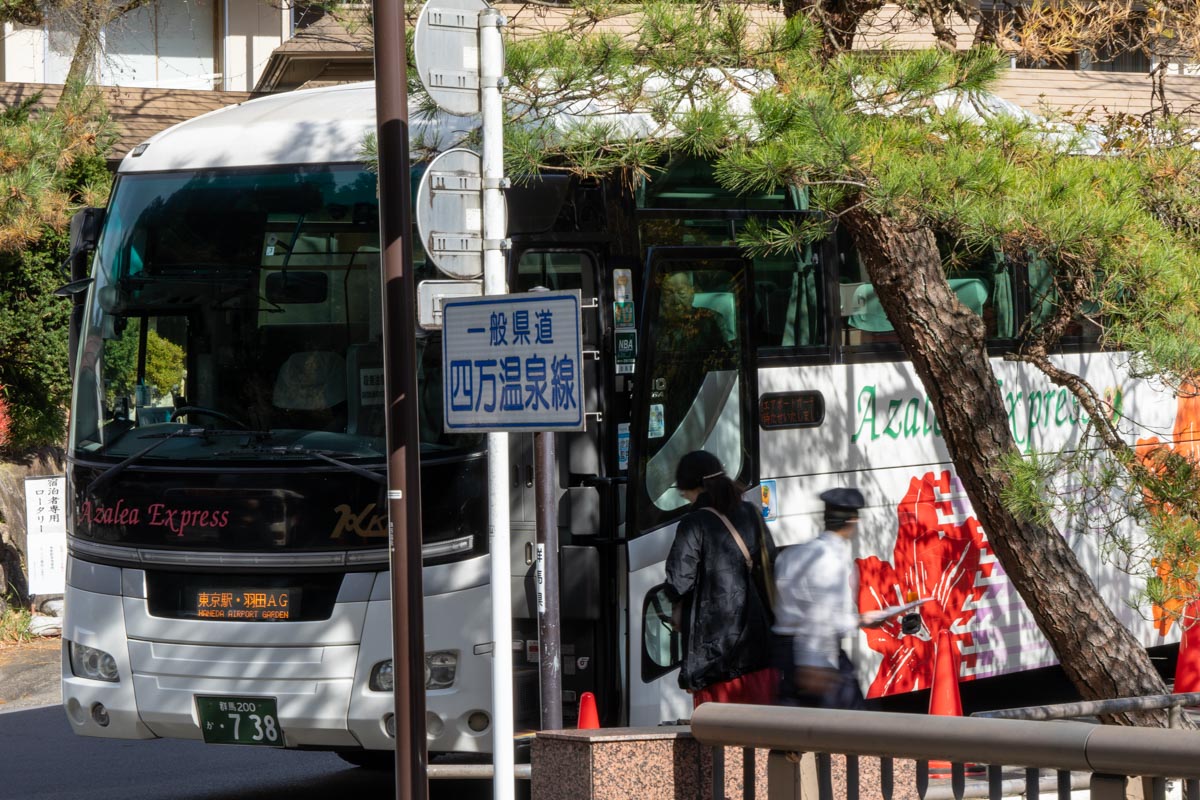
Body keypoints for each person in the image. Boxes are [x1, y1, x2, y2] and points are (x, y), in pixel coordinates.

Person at [664, 450, 777, 707]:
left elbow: (678, 582)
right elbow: (770, 563)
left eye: (684, 492)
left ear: (693, 488)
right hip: (757, 646)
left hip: (714, 655)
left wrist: (675, 604)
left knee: (718, 734)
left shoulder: (694, 523)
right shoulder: (751, 513)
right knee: (759, 731)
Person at [771, 487, 878, 710]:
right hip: (817, 651)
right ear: (853, 521)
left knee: (792, 726)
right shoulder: (832, 560)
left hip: (785, 651)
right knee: (857, 723)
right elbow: (820, 617)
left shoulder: (792, 554)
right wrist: (813, 663)